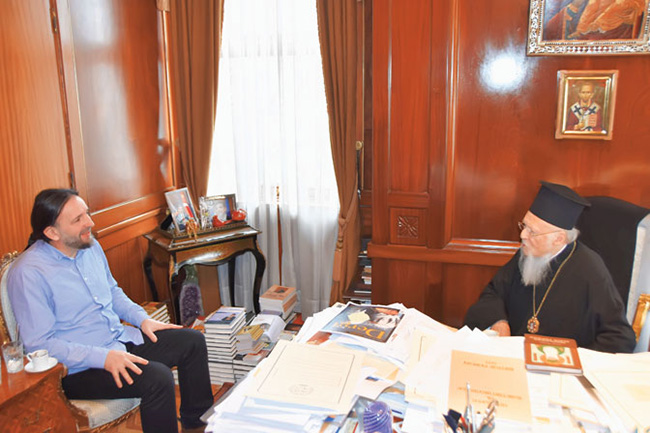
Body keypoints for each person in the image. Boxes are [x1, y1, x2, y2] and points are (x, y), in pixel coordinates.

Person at [8, 189, 213, 433]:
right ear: (52, 232)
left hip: (117, 341)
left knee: (192, 341)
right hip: (76, 370)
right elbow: (40, 345)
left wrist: (143, 320)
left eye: (87, 213)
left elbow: (113, 292)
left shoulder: (89, 246)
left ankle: (198, 425)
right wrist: (103, 357)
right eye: (78, 219)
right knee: (157, 379)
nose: (90, 223)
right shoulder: (28, 273)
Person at [464, 181, 636, 353]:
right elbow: (493, 292)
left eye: (532, 231)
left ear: (559, 239)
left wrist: (571, 358)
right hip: (516, 355)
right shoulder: (527, 252)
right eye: (524, 226)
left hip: (561, 364)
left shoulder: (590, 270)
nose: (523, 235)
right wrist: (498, 321)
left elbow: (619, 337)